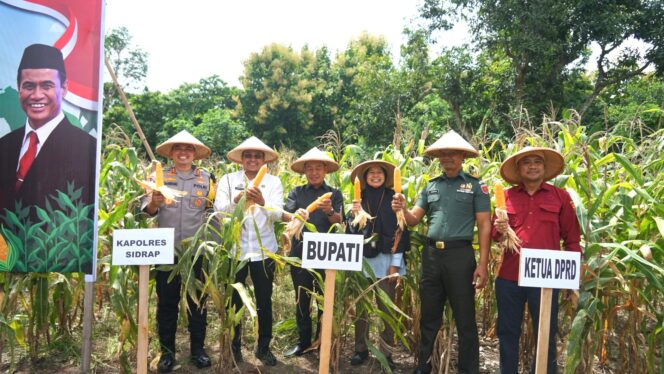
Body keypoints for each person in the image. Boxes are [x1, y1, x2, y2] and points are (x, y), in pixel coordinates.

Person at [391, 130, 491, 374]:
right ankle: (423, 367)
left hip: (460, 257)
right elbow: (414, 219)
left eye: (452, 154)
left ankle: (468, 370)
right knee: (429, 316)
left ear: (462, 156)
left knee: (465, 319)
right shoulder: (431, 187)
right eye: (443, 154)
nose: (447, 158)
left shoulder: (476, 186)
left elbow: (484, 224)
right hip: (432, 256)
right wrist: (402, 208)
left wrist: (483, 264)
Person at [0, 43, 96, 272]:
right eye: (29, 86)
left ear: (64, 88)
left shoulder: (86, 149)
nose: (37, 95)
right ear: (18, 88)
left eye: (47, 85)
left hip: (57, 278)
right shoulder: (4, 145)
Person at [493, 147, 582, 374]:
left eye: (537, 162)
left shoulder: (560, 197)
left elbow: (572, 239)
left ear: (544, 168)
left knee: (546, 332)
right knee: (507, 332)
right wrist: (500, 229)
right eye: (526, 163)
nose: (532, 166)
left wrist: (571, 278)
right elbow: (495, 237)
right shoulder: (506, 197)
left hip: (545, 279)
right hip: (509, 277)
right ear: (519, 169)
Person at [142, 130, 214, 372]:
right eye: (178, 148)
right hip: (166, 250)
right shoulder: (158, 177)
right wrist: (154, 201)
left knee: (198, 303)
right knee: (167, 304)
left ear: (195, 154)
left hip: (196, 251)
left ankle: (198, 351)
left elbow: (212, 215)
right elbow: (147, 210)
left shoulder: (207, 178)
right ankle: (167, 353)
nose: (183, 152)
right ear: (171, 153)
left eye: (189, 149)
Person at [214, 136, 283, 366]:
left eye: (257, 156)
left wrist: (262, 201)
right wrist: (236, 199)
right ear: (242, 159)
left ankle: (263, 347)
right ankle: (234, 347)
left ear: (263, 160)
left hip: (265, 250)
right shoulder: (227, 180)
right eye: (248, 155)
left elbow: (278, 214)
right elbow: (220, 211)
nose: (253, 159)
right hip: (236, 252)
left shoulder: (273, 183)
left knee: (264, 300)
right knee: (235, 302)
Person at [347, 160, 410, 370]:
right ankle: (360, 349)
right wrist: (354, 216)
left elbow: (401, 231)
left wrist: (395, 265)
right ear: (364, 178)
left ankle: (387, 353)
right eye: (370, 173)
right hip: (363, 263)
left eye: (379, 172)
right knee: (362, 310)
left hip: (386, 265)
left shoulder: (395, 199)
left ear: (385, 176)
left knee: (387, 310)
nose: (375, 175)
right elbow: (350, 234)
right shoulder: (358, 199)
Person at [282, 147, 344, 358]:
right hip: (299, 253)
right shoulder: (296, 193)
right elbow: (287, 216)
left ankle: (321, 341)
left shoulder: (334, 193)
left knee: (323, 300)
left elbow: (340, 220)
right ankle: (303, 341)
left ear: (325, 170)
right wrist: (296, 215)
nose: (314, 172)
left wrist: (329, 211)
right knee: (302, 299)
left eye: (319, 168)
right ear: (305, 171)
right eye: (310, 168)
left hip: (326, 253)